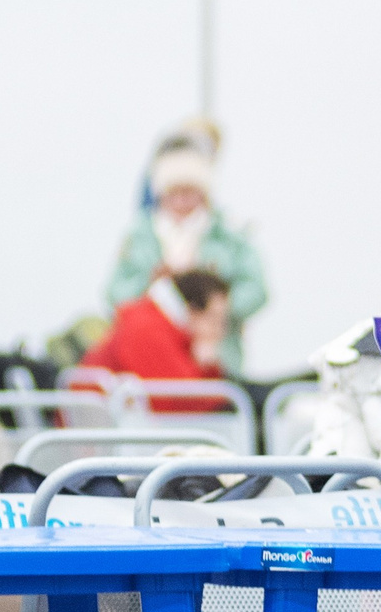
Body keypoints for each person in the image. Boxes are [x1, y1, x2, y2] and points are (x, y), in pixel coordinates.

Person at [103, 119, 265, 374]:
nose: (181, 201)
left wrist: (212, 304)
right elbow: (114, 295)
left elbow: (257, 289)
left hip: (218, 362)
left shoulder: (229, 236)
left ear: (204, 192)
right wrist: (153, 287)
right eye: (173, 192)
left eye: (189, 192)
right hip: (153, 362)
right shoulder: (139, 237)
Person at [78, 271, 232, 410]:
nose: (219, 332)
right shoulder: (148, 328)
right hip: (100, 427)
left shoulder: (160, 325)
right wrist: (205, 368)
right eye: (214, 321)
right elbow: (179, 402)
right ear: (192, 311)